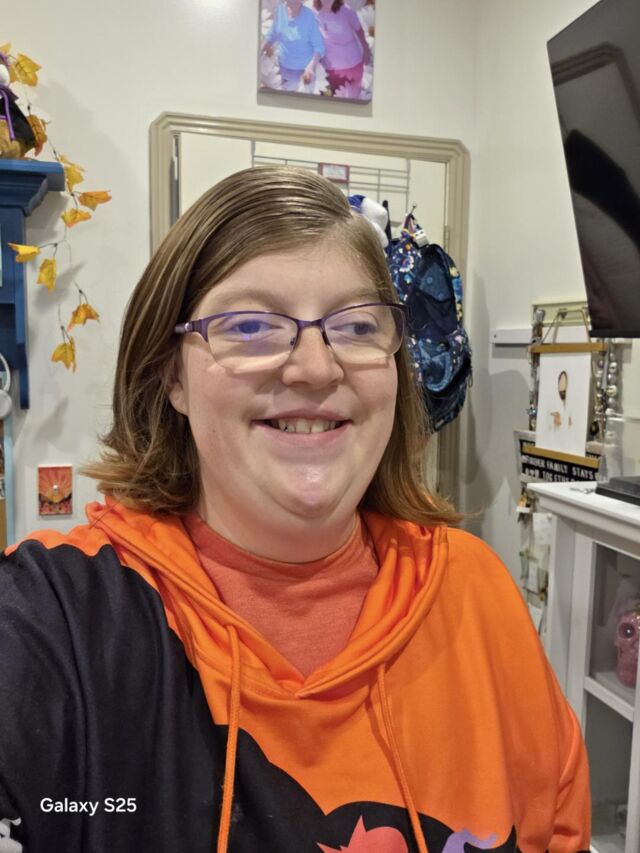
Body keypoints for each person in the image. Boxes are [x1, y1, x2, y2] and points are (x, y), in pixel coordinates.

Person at [0, 166, 590, 852]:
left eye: (357, 325)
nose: (316, 368)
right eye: (251, 325)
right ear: (171, 376)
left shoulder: (477, 590)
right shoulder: (57, 620)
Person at [263, 0, 325, 92]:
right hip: (283, 69)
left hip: (304, 73)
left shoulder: (309, 16)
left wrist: (310, 68)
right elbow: (272, 35)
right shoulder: (280, 10)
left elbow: (319, 47)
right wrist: (259, 52)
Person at [313, 0, 370, 97]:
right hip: (330, 69)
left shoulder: (346, 10)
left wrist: (366, 49)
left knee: (353, 99)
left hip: (352, 66)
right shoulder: (312, 10)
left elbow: (359, 30)